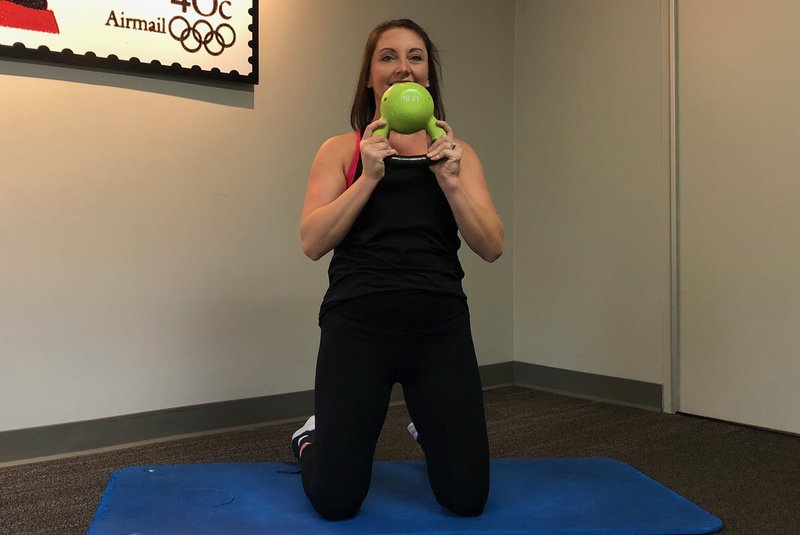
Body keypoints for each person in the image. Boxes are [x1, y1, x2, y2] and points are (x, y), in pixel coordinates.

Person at [293, 18, 504, 521]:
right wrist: (367, 177)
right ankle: (309, 437)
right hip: (357, 327)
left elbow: (491, 246)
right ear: (370, 77)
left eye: (415, 57)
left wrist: (450, 181)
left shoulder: (459, 154)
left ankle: (430, 427)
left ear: (427, 77)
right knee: (337, 501)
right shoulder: (341, 151)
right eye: (387, 57)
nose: (401, 68)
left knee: (466, 499)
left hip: (438, 328)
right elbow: (312, 243)